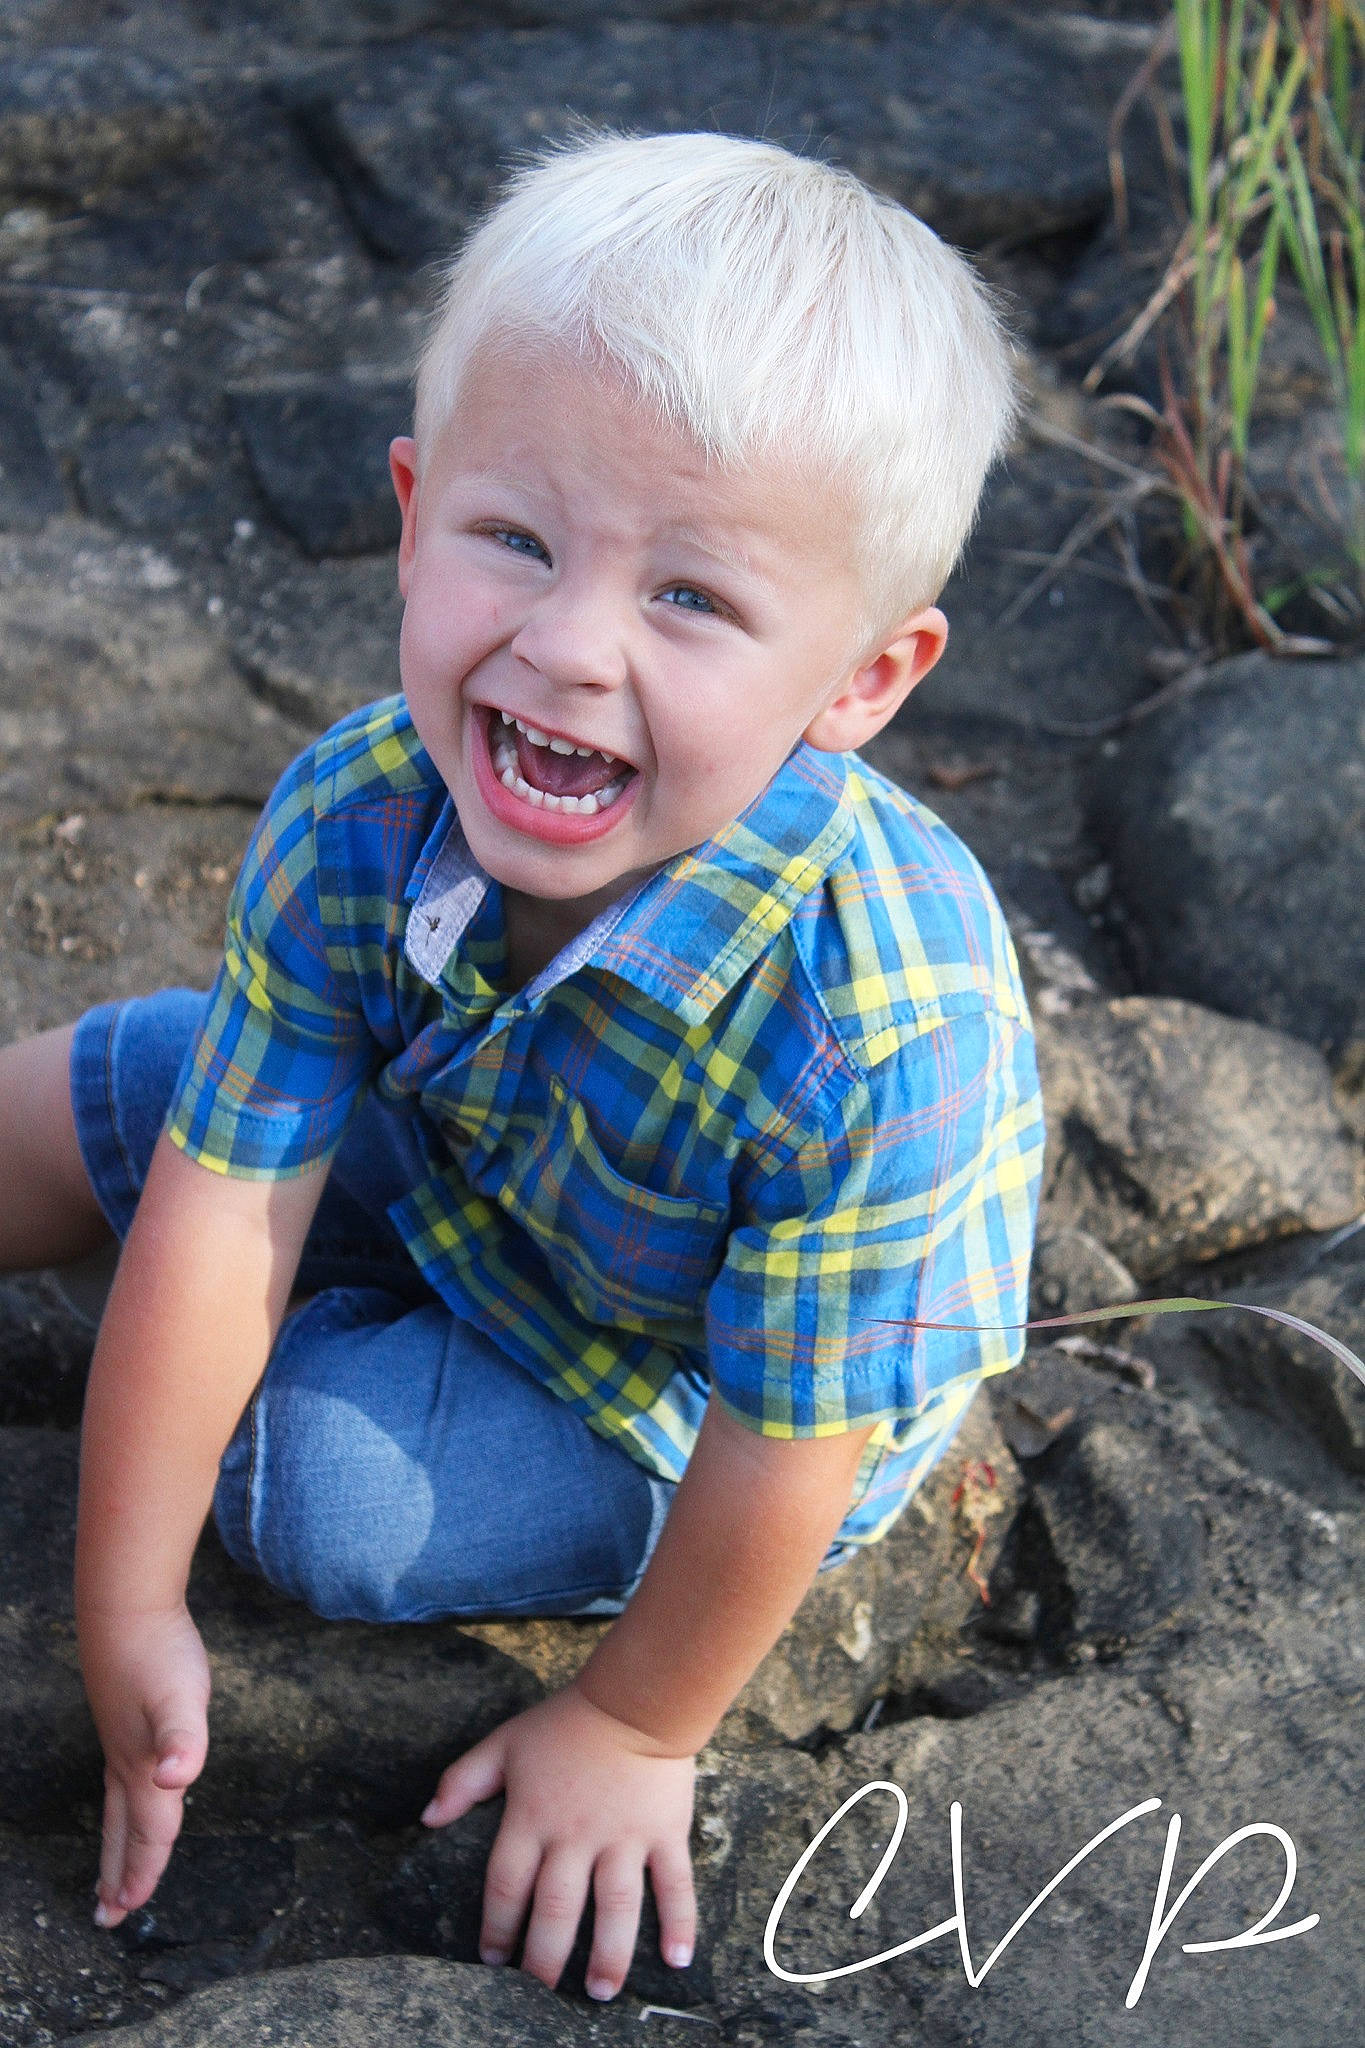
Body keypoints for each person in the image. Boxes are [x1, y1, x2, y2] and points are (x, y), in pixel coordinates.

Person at [0, 131, 1044, 2003]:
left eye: (691, 601)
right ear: (410, 513)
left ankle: (337, 1358)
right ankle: (310, 1296)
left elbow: (783, 1447)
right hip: (483, 1143)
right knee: (127, 1088)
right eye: (515, 539)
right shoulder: (362, 803)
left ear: (864, 680)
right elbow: (224, 1190)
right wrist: (118, 1597)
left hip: (688, 1386)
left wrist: (636, 1729)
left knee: (313, 1490)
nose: (563, 648)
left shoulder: (879, 1031)